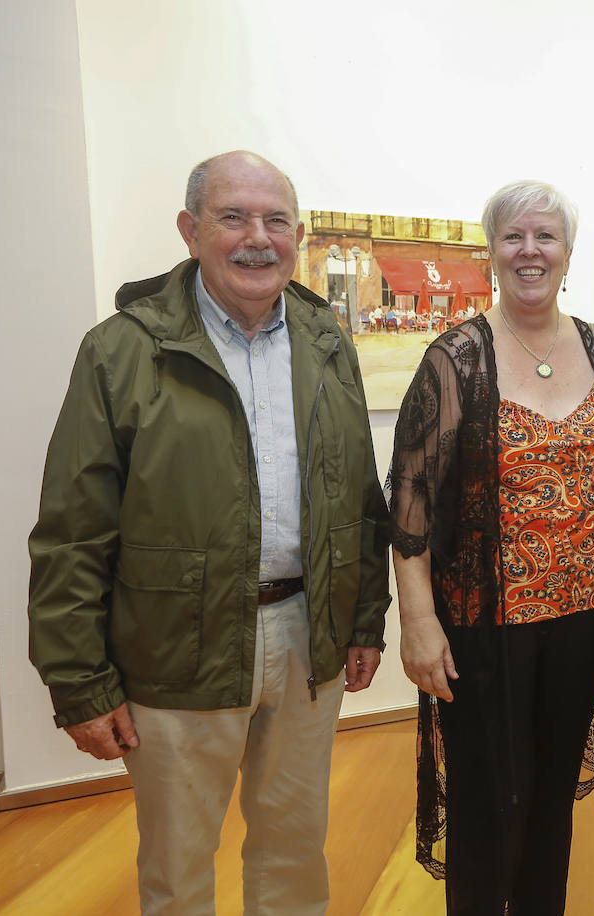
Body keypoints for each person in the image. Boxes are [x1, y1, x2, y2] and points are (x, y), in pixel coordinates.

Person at [26, 150, 392, 915]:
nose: (257, 238)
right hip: (174, 649)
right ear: (191, 231)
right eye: (234, 217)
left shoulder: (327, 343)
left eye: (276, 220)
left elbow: (360, 496)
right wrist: (80, 680)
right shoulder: (122, 349)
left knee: (294, 850)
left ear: (299, 235)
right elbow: (73, 528)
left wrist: (363, 620)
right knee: (178, 865)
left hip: (305, 641)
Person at [387, 179, 594, 915]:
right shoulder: (455, 358)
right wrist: (418, 621)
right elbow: (409, 503)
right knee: (488, 802)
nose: (530, 251)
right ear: (492, 253)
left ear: (566, 253)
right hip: (479, 627)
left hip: (585, 620)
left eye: (546, 237)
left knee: (551, 797)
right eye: (513, 237)